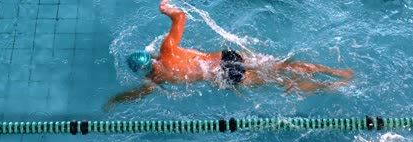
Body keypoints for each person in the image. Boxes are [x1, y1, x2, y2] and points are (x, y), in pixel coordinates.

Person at [103, 0, 353, 111]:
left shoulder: (157, 80)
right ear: (151, 57)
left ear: (146, 69)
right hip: (227, 57)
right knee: (281, 66)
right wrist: (166, 8)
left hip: (225, 76)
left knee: (280, 83)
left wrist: (114, 101)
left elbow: (136, 95)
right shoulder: (167, 50)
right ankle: (337, 73)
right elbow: (181, 17)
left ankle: (329, 86)